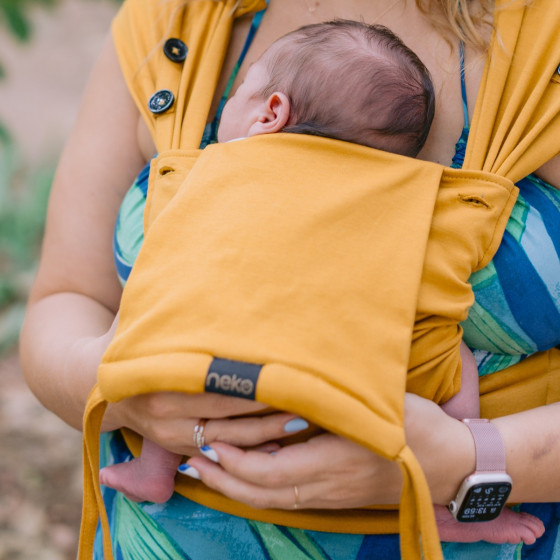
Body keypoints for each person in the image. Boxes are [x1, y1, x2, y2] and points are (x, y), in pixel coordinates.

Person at [19, 0, 560, 558]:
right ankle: (449, 513)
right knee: (453, 369)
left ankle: (154, 469)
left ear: (270, 112)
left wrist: (464, 462)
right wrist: (126, 391)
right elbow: (68, 297)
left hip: (421, 508)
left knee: (173, 345)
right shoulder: (176, 18)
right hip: (182, 519)